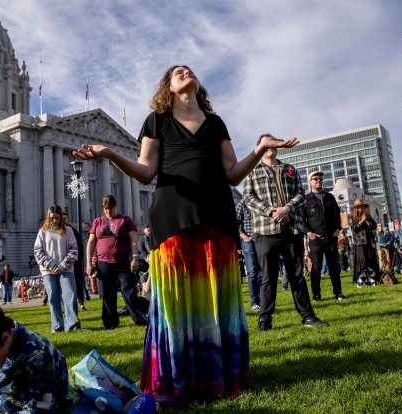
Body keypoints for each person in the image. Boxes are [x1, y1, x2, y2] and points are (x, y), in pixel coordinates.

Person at [74, 65, 298, 406]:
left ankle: (216, 376)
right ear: (168, 86)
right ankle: (177, 378)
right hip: (173, 219)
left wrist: (260, 148)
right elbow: (146, 172)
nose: (183, 70)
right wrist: (109, 153)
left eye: (187, 68)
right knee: (176, 304)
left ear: (197, 85)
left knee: (215, 300)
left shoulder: (216, 123)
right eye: (176, 71)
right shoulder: (157, 120)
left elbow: (233, 175)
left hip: (217, 218)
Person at [244, 136, 328, 331]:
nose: (272, 145)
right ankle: (265, 321)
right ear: (261, 146)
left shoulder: (289, 169)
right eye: (267, 142)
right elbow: (248, 197)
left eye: (274, 141)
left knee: (297, 275)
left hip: (291, 230)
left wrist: (287, 208)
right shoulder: (252, 170)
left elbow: (300, 193)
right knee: (268, 277)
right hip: (266, 231)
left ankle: (308, 316)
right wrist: (272, 211)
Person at [84, 195, 147, 329]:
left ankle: (140, 319)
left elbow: (133, 240)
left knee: (129, 291)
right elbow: (91, 243)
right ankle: (110, 323)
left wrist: (135, 258)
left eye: (111, 208)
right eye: (106, 208)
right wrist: (89, 263)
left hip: (123, 261)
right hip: (103, 263)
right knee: (107, 293)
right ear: (103, 208)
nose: (109, 211)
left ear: (115, 206)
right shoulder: (98, 222)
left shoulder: (125, 220)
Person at [34, 205, 81, 332]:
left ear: (61, 218)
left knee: (70, 296)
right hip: (48, 270)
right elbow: (38, 252)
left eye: (57, 218)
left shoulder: (68, 230)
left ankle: (73, 325)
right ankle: (57, 326)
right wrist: (52, 265)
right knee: (53, 298)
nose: (55, 220)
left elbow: (74, 250)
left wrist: (61, 266)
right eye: (52, 218)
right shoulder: (42, 232)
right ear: (48, 218)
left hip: (66, 269)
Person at [299, 170, 345, 301]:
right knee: (316, 268)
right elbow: (302, 220)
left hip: (331, 238)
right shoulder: (306, 199)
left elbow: (337, 215)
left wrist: (337, 230)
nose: (318, 181)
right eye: (315, 179)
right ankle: (316, 294)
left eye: (320, 179)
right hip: (315, 240)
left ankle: (338, 292)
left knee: (334, 267)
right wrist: (309, 233)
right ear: (310, 182)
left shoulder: (329, 197)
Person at [235, 199, 262, 310]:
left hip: (261, 240)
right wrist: (244, 237)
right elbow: (234, 222)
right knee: (252, 272)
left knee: (262, 272)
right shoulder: (242, 204)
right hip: (248, 242)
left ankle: (263, 300)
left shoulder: (260, 202)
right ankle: (254, 302)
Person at [349, 199, 380, 287]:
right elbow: (355, 229)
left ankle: (371, 281)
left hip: (369, 242)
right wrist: (362, 221)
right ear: (356, 208)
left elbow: (374, 226)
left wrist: (368, 219)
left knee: (370, 261)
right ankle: (360, 282)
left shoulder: (367, 216)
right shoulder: (352, 217)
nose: (361, 209)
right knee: (362, 262)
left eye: (362, 207)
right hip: (359, 243)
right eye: (359, 207)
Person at [62, 211, 88, 312]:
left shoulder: (73, 231)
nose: (64, 220)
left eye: (65, 218)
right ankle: (66, 305)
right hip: (64, 265)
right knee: (66, 286)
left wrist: (78, 260)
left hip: (75, 263)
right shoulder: (58, 232)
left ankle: (81, 304)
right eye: (62, 218)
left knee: (78, 283)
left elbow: (80, 248)